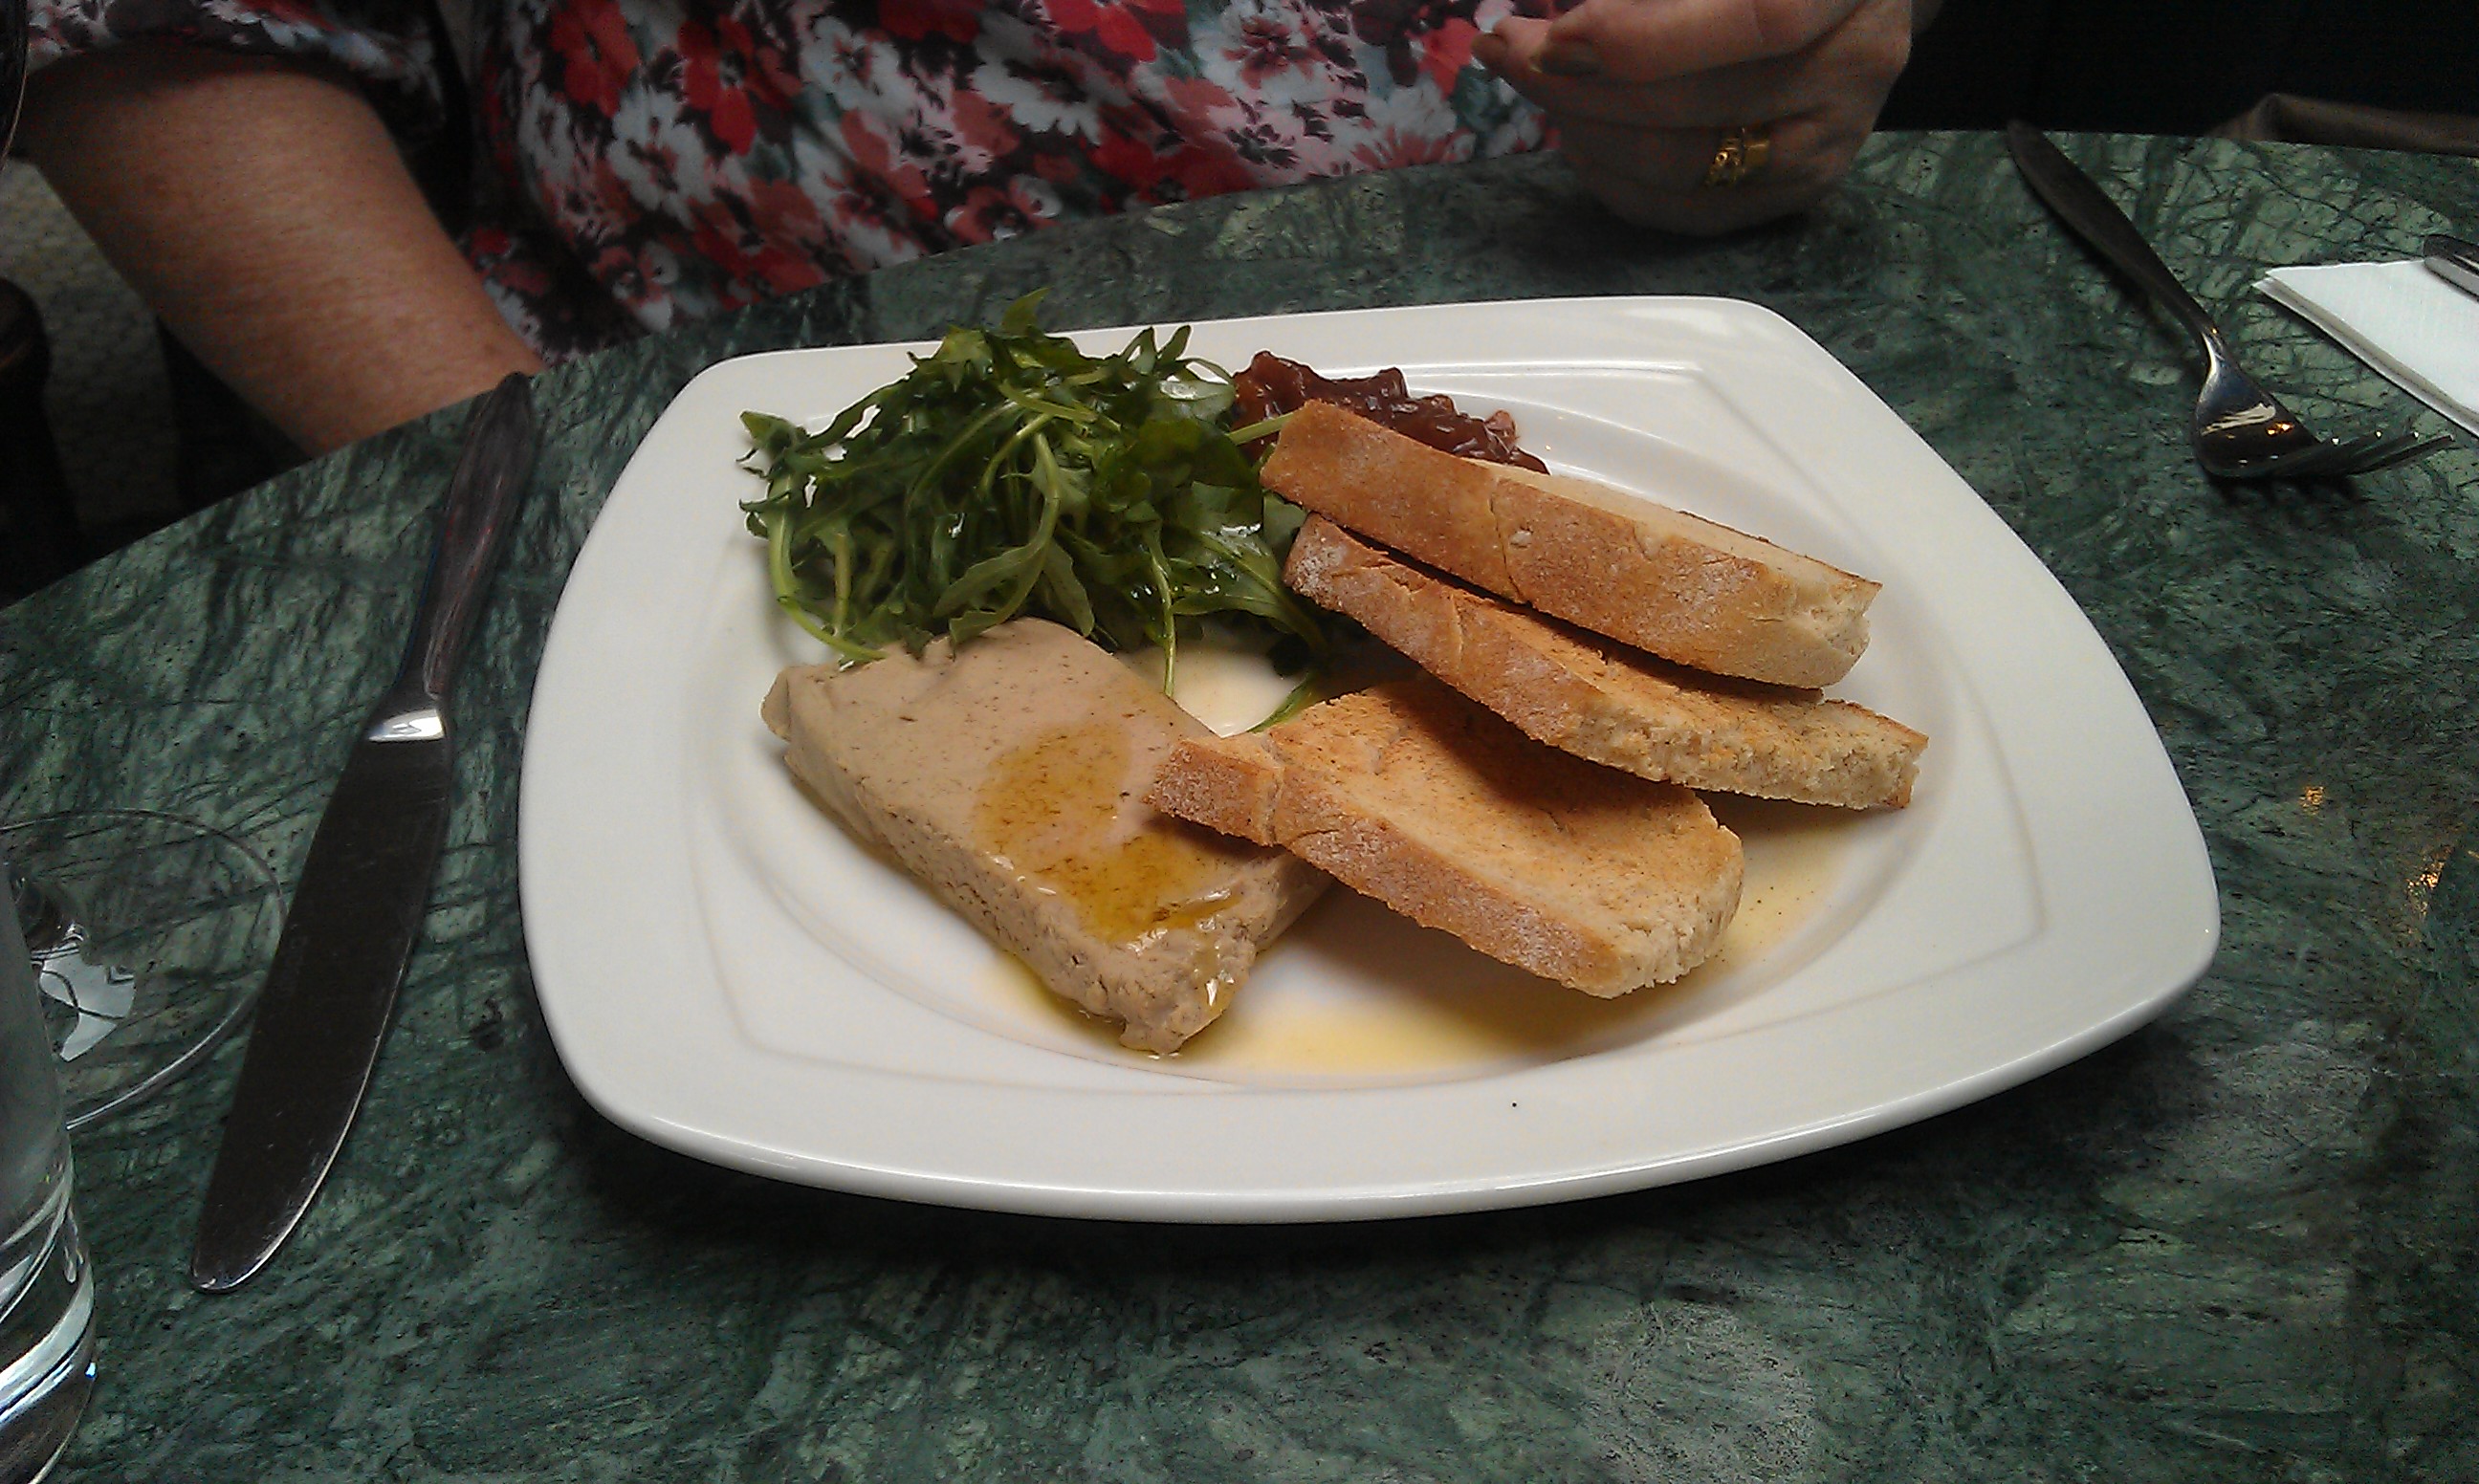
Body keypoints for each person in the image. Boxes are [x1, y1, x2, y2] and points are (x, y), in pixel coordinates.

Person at [18, 0, 1933, 456]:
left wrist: (1755, 71)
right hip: (732, 407)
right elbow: (162, 23)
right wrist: (513, 479)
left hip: (1558, 310)